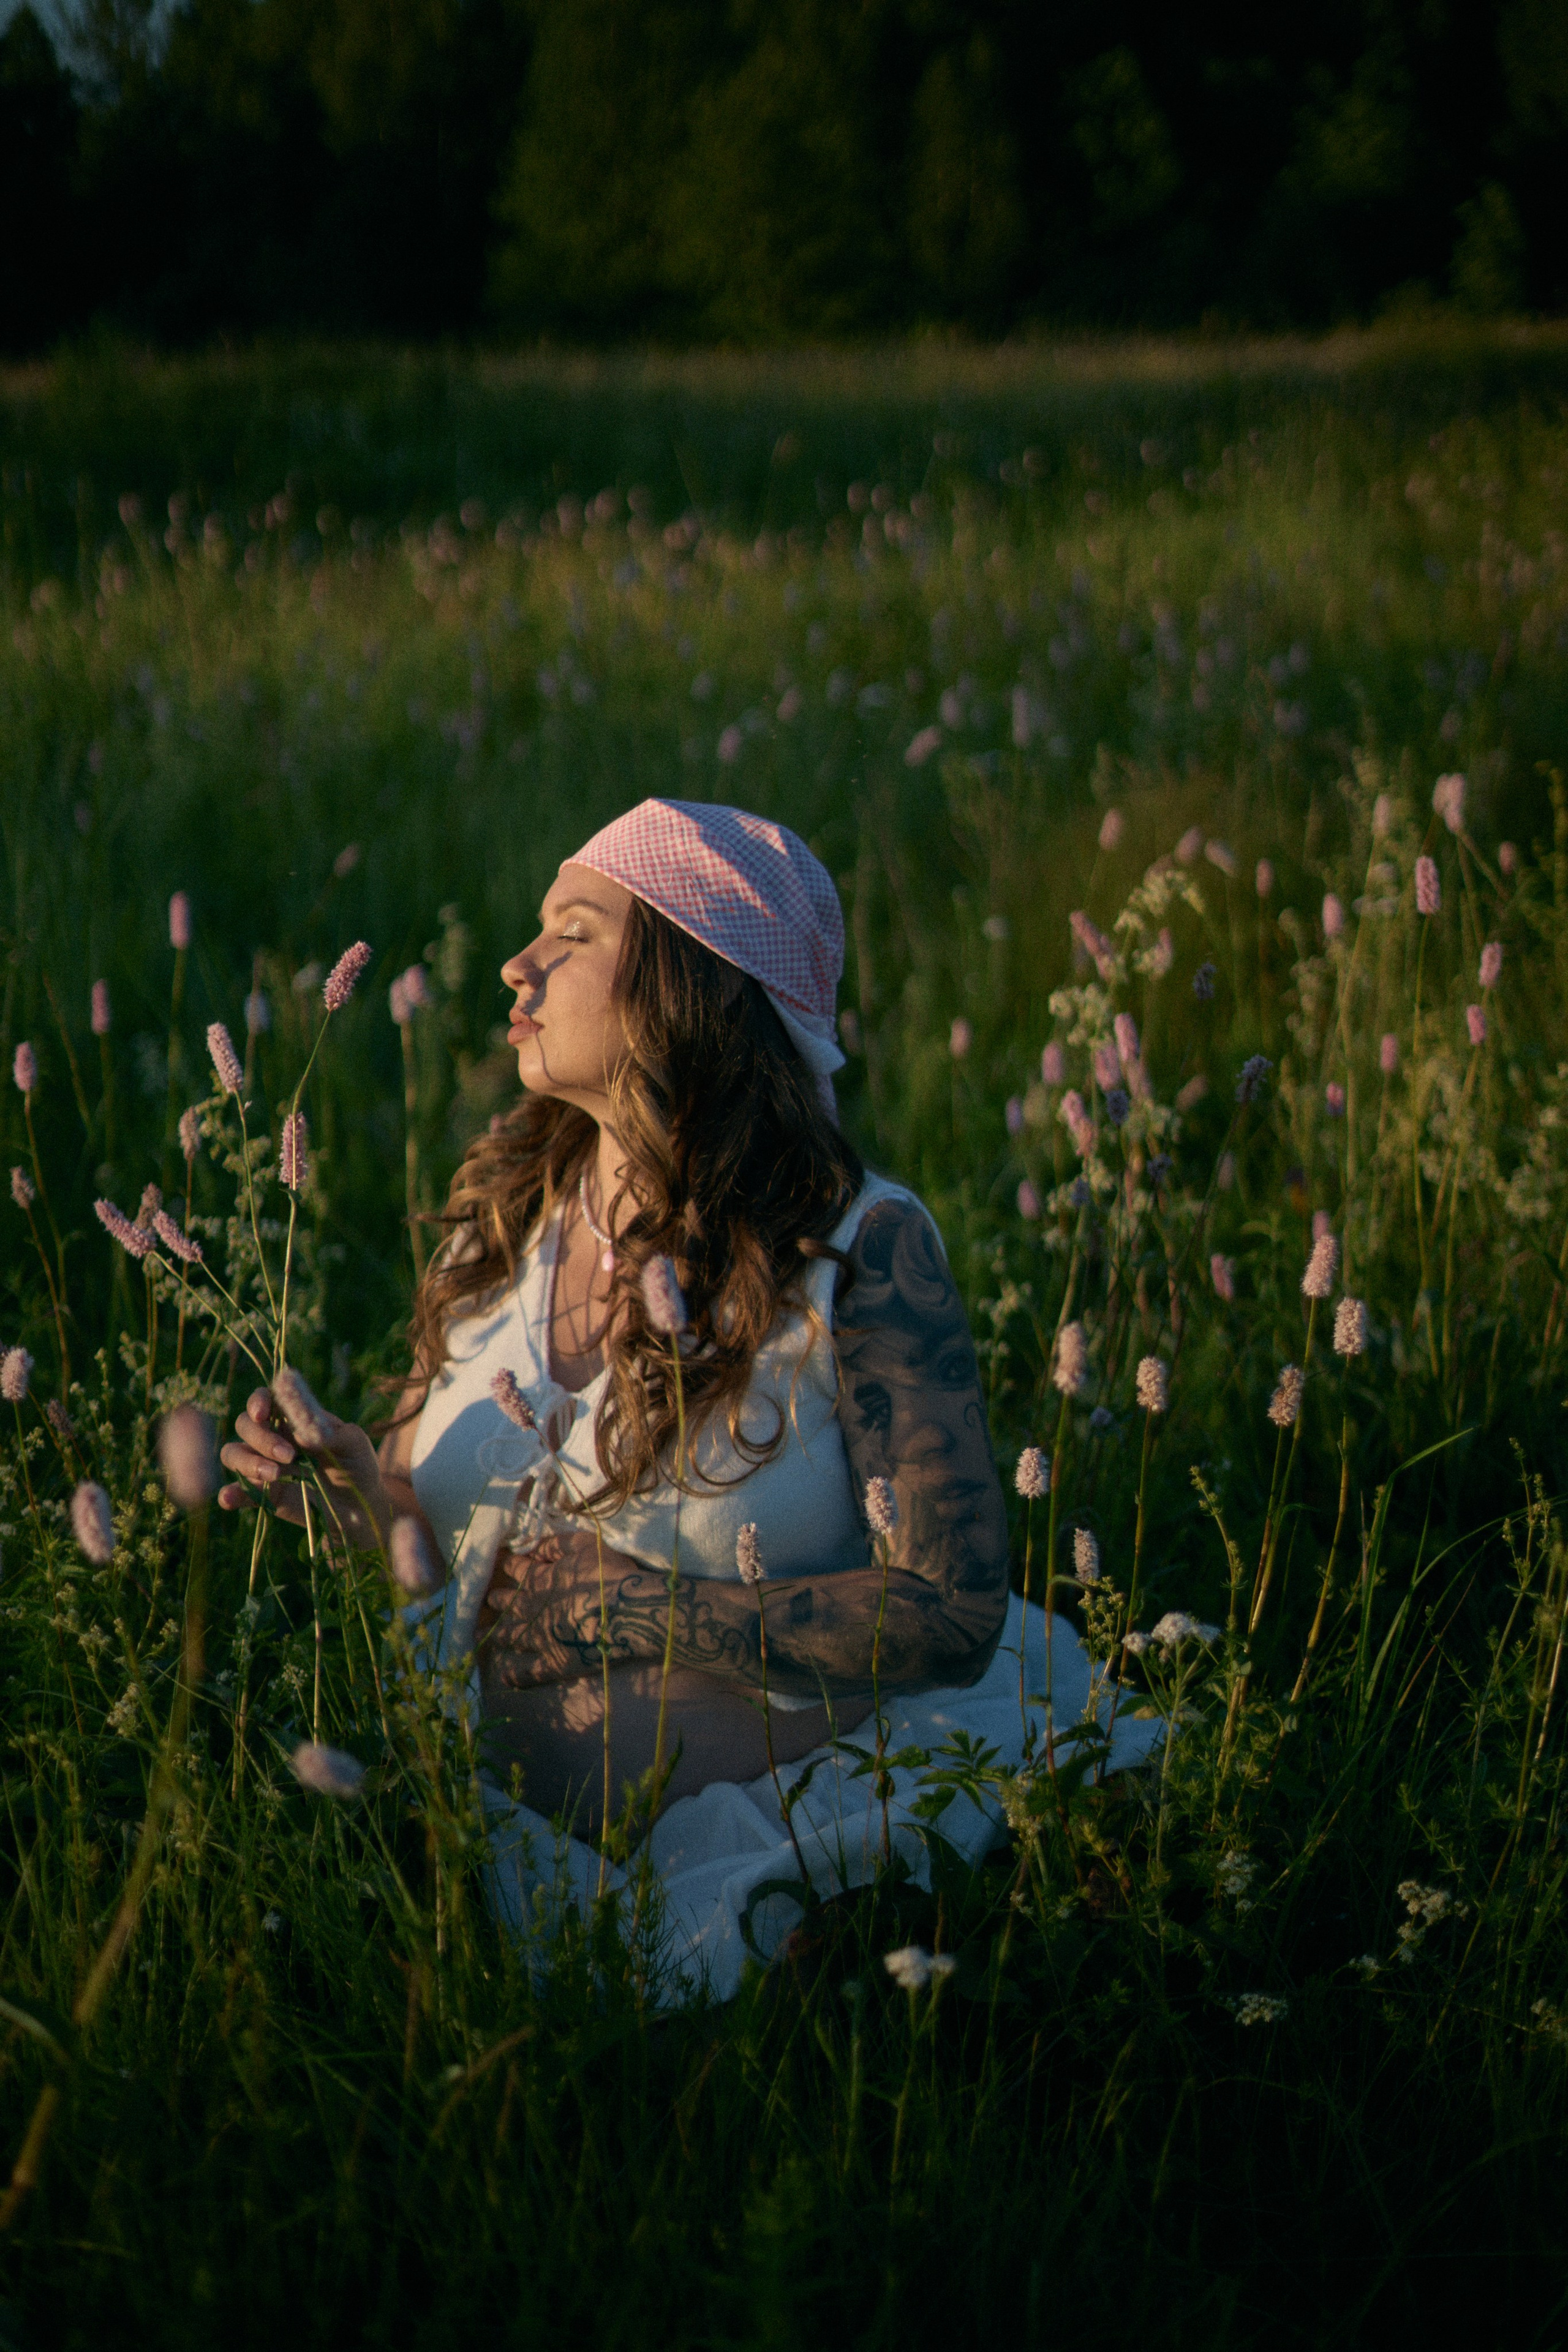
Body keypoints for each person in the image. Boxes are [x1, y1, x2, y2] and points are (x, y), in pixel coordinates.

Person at [219, 799, 1151, 1995]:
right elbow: (421, 1533)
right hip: (469, 1848)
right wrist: (354, 1493)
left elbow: (951, 1608)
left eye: (572, 931)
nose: (517, 963)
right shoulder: (500, 1216)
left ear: (699, 981)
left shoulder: (863, 1248)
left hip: (784, 1841)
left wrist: (651, 1612)